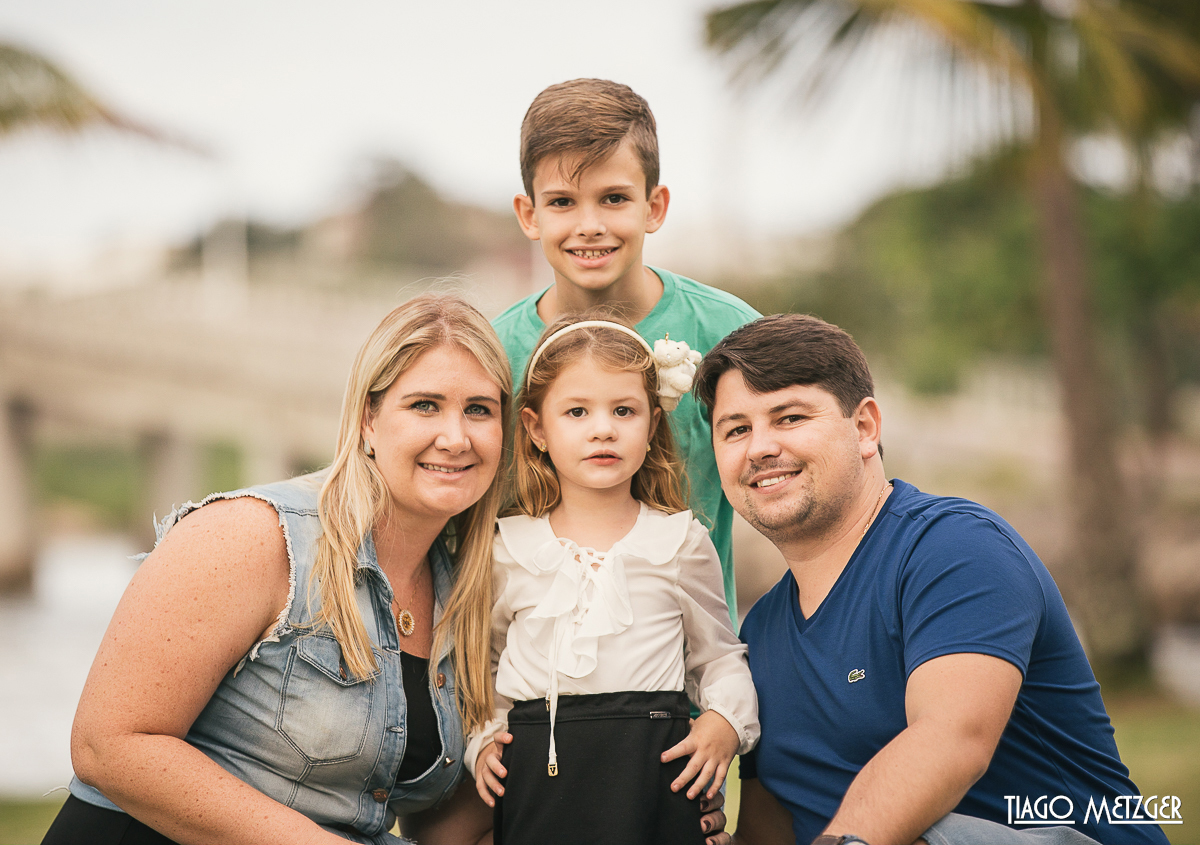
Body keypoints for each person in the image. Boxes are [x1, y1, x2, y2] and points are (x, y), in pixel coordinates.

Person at [42, 294, 511, 845]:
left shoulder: (470, 590)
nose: (455, 437)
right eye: (425, 406)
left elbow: (419, 814)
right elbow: (110, 745)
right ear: (368, 419)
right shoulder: (255, 536)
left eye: (478, 409)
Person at [693, 314, 1170, 845]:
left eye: (788, 418)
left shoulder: (954, 549)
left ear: (865, 428)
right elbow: (772, 827)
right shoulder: (759, 631)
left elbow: (951, 740)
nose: (759, 447)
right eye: (736, 429)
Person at [467, 316, 760, 845]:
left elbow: (717, 655)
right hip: (541, 776)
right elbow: (480, 665)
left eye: (623, 411)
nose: (603, 429)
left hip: (654, 772)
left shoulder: (680, 541)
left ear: (651, 426)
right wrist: (483, 739)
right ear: (536, 429)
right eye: (577, 411)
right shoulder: (507, 547)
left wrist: (723, 721)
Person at [492, 78, 761, 622]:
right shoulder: (493, 354)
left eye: (614, 198)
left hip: (695, 675)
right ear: (529, 214)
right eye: (562, 202)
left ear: (654, 206)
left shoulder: (731, 334)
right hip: (538, 675)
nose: (590, 226)